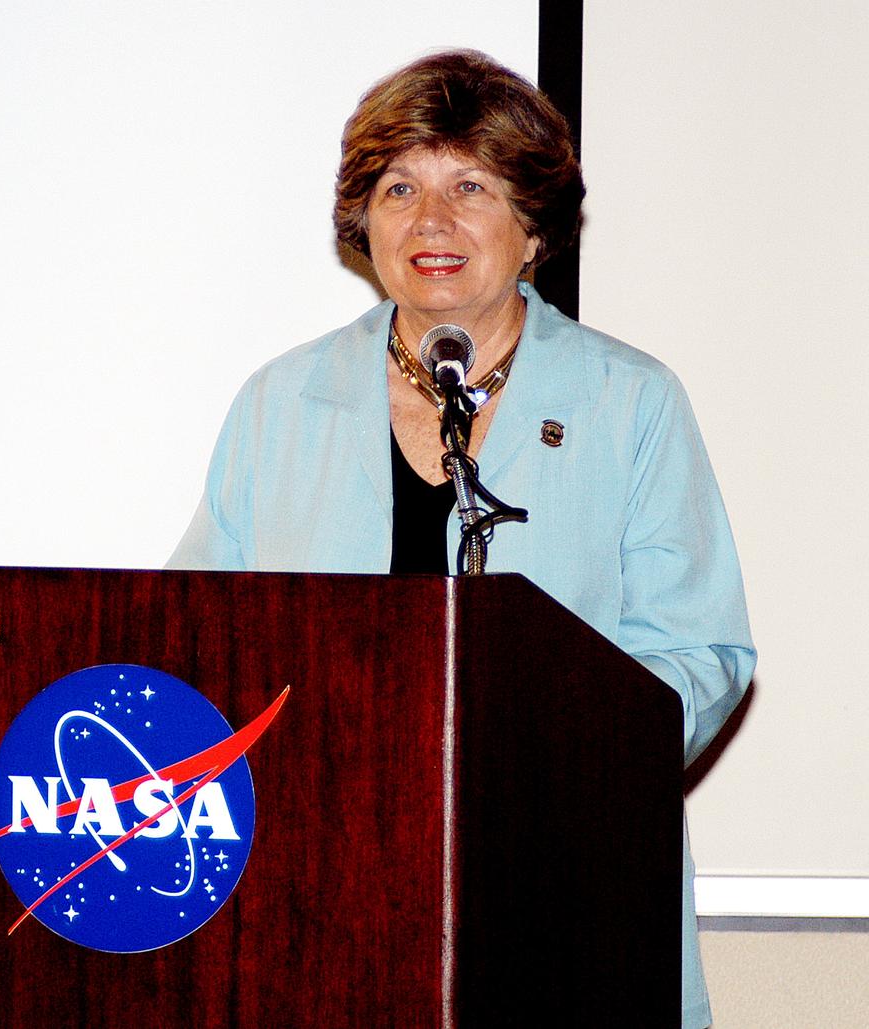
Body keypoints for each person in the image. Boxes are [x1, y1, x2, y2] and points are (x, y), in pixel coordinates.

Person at [168, 49, 754, 1029]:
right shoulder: (283, 403)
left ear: (531, 230)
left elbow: (702, 654)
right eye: (398, 187)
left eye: (468, 186)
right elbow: (196, 639)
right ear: (363, 222)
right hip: (319, 887)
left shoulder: (625, 402)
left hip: (558, 882)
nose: (429, 221)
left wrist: (552, 756)